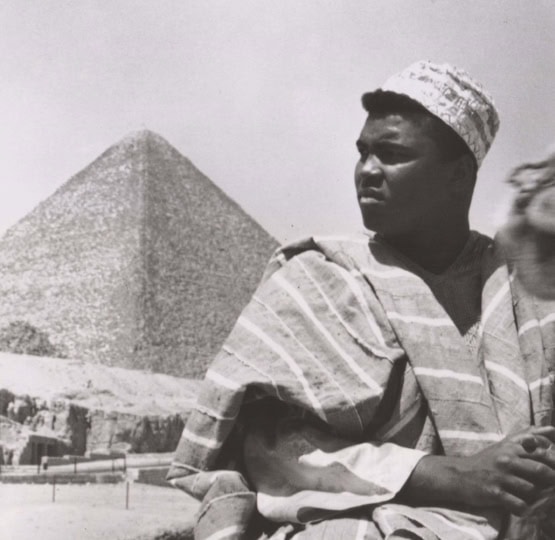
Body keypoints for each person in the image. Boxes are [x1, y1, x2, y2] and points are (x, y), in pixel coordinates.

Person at [168, 61, 555, 539]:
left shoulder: (526, 290)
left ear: (458, 175)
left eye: (391, 155)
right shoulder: (320, 279)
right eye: (363, 153)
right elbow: (268, 448)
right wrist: (452, 478)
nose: (367, 171)